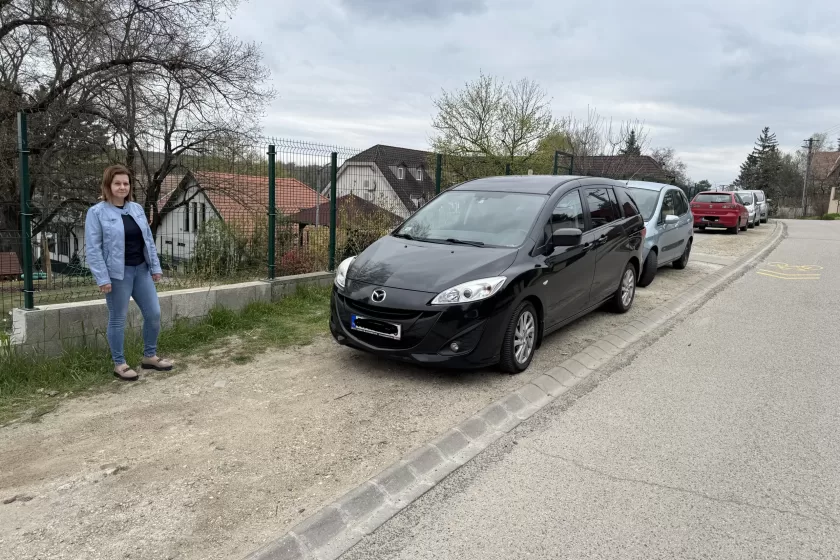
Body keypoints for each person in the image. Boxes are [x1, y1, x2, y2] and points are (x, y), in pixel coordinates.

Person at [85, 164, 174, 381]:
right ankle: (120, 363)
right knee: (118, 319)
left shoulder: (135, 209)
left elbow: (148, 240)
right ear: (108, 186)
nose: (122, 187)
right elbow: (93, 248)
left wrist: (155, 267)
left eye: (126, 183)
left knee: (153, 314)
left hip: (141, 270)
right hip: (117, 275)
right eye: (117, 183)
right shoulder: (97, 212)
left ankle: (149, 356)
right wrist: (103, 278)